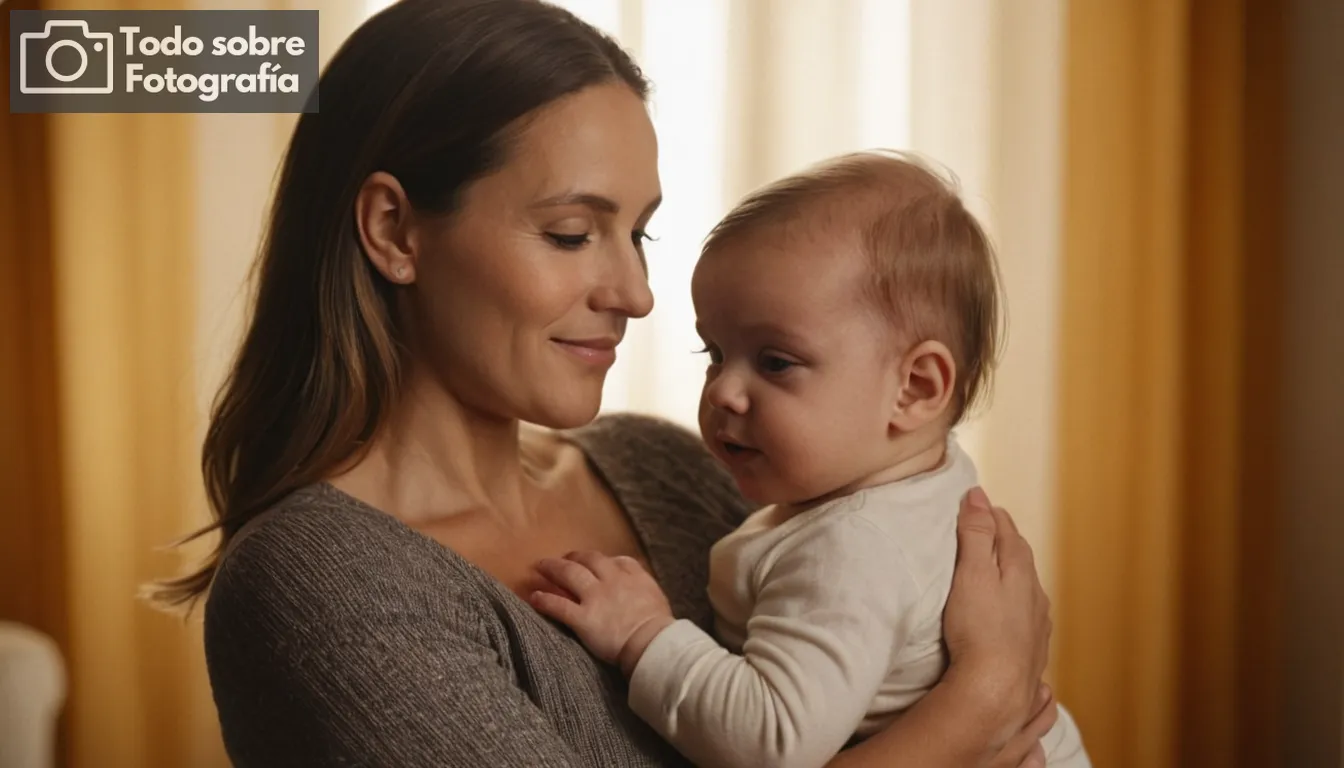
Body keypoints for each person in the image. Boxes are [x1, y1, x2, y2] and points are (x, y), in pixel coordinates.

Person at [154, 1, 1059, 765]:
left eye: (641, 234)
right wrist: (976, 705)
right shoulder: (322, 584)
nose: (634, 293)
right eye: (571, 233)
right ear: (395, 230)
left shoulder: (666, 467)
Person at [529, 151, 1090, 768]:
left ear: (917, 388)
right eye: (714, 352)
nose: (723, 391)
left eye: (775, 362)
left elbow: (772, 742)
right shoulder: (915, 485)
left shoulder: (853, 549)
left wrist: (645, 637)